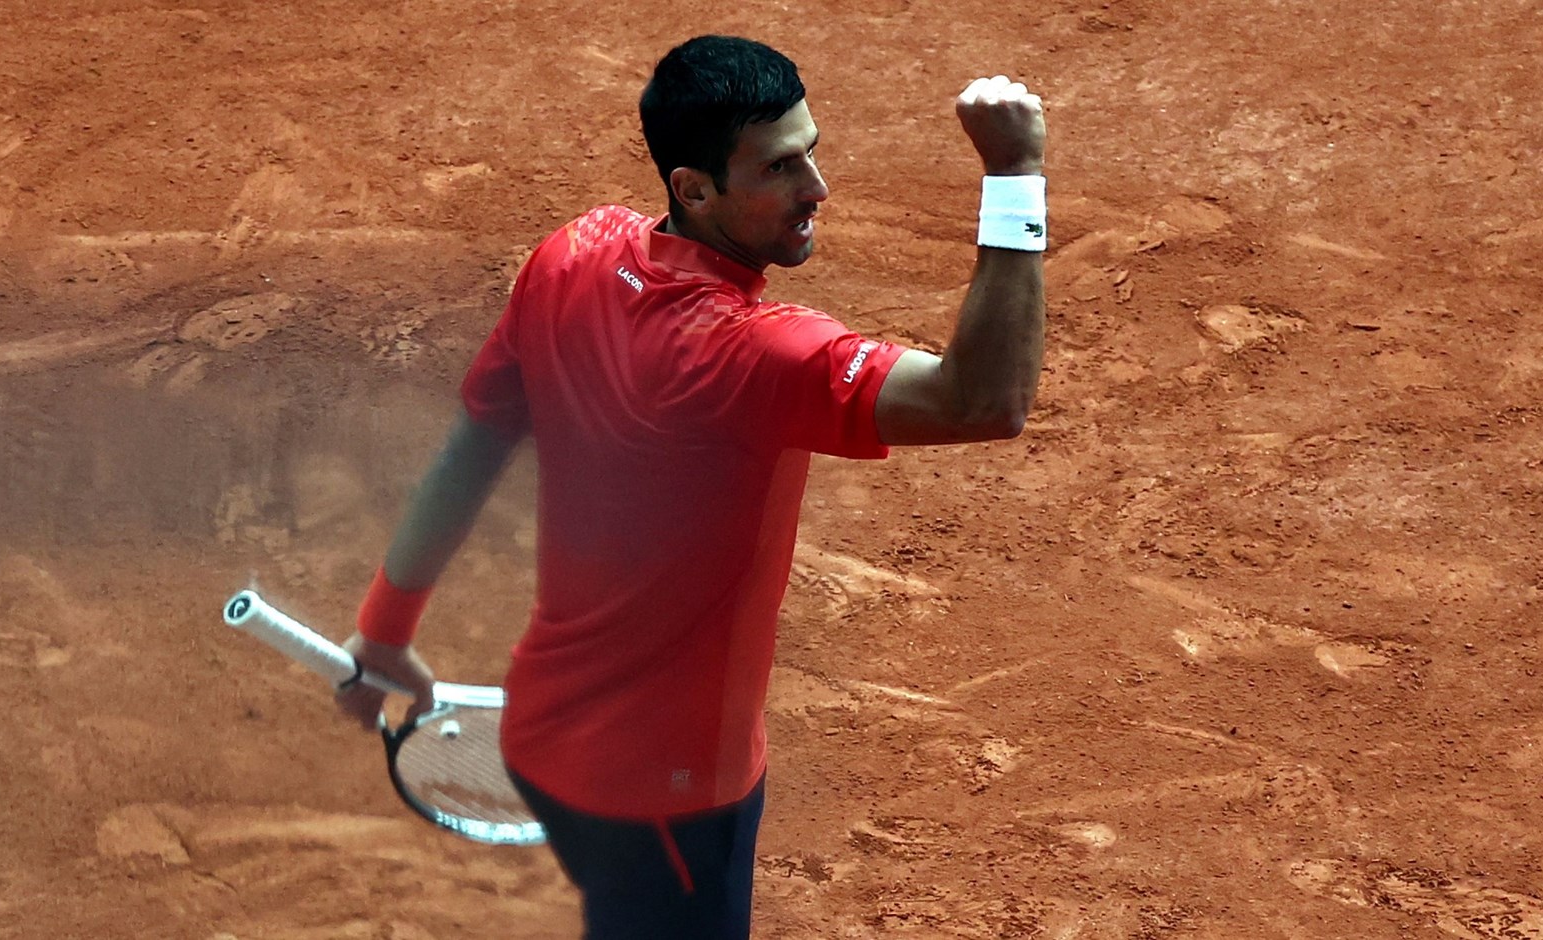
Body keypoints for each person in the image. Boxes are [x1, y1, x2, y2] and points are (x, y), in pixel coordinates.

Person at [334, 34, 1047, 940]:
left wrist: (385, 626)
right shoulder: (753, 353)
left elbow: (476, 443)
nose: (817, 188)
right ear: (693, 189)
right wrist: (1015, 175)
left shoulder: (572, 254)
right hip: (672, 794)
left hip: (548, 736)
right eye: (780, 169)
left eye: (810, 152)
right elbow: (984, 400)